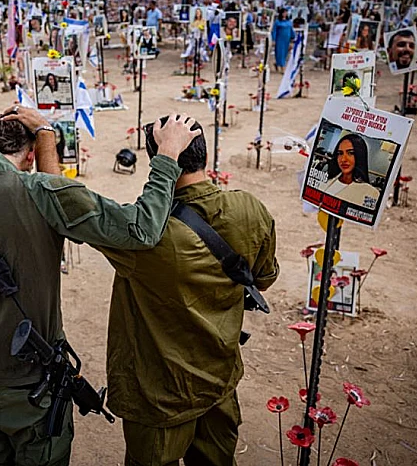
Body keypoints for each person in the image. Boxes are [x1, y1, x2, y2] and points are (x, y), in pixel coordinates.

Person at [0, 108, 200, 466]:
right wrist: (168, 156)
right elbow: (141, 229)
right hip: (35, 395)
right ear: (32, 154)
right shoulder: (42, 193)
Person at [93, 116, 279, 466]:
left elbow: (69, 209)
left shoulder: (142, 236)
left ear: (157, 160)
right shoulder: (250, 208)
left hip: (159, 396)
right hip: (218, 382)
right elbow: (263, 278)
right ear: (203, 153)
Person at [323, 134, 380, 208]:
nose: (343, 159)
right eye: (340, 153)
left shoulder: (371, 192)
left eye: (350, 153)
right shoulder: (327, 181)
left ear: (359, 155)